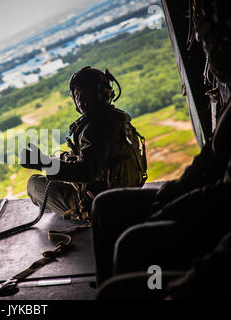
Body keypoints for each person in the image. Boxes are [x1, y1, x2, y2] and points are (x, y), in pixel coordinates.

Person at [91, 0, 231, 292]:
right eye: (206, 44)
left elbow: (88, 168)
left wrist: (46, 167)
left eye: (215, 43)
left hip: (217, 217)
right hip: (207, 199)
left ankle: (135, 285)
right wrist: (176, 189)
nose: (210, 54)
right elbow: (211, 158)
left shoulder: (101, 125)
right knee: (105, 207)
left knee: (130, 243)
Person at [21, 66, 147, 222]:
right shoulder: (117, 119)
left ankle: (70, 209)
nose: (79, 99)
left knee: (34, 184)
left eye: (81, 93)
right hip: (128, 195)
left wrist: (42, 163)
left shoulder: (95, 127)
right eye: (77, 94)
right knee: (60, 157)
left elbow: (86, 172)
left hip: (101, 207)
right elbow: (98, 159)